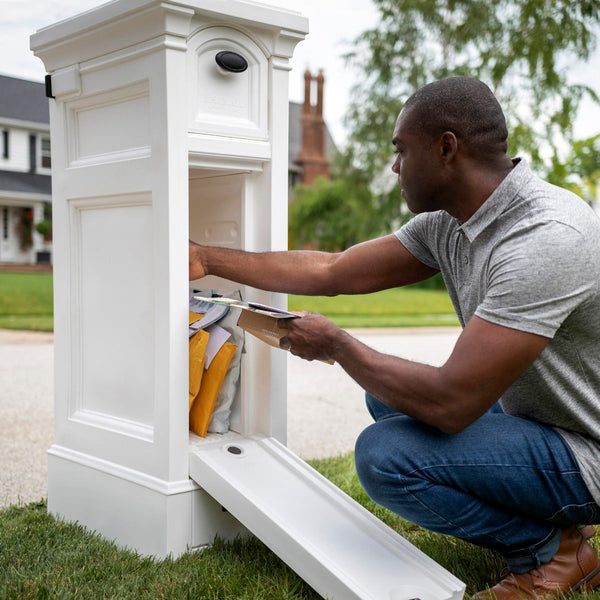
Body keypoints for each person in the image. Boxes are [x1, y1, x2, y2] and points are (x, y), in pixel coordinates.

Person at [189, 76, 600, 599]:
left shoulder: (545, 238)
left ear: (445, 148)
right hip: (542, 421)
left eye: (401, 151)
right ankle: (559, 522)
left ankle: (551, 552)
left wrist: (338, 347)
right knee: (386, 396)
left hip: (589, 448)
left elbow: (452, 404)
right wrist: (206, 259)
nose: (394, 166)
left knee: (386, 456)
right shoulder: (452, 223)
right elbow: (332, 270)